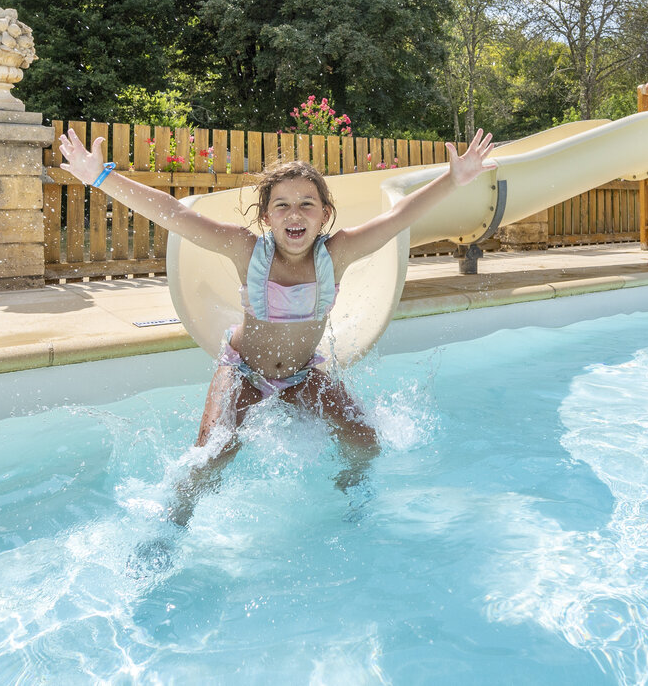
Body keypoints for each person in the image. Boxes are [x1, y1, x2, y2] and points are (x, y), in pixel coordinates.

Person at [58, 127, 497, 522]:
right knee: (213, 454)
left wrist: (453, 180)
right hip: (243, 372)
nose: (295, 214)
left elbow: (397, 219)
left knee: (366, 439)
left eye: (307, 204)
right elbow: (174, 213)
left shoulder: (337, 253)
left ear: (325, 214)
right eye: (282, 205)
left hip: (303, 376)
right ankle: (175, 519)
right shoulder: (246, 250)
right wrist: (100, 177)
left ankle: (352, 494)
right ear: (266, 216)